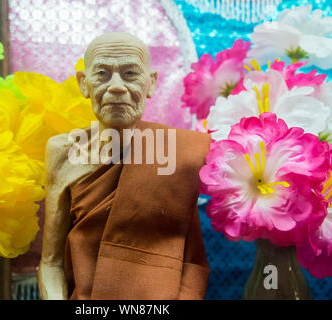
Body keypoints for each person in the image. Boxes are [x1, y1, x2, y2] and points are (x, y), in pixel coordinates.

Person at [37, 32, 211, 300]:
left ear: (150, 83)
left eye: (130, 73)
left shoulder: (184, 152)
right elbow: (51, 263)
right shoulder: (63, 152)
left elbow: (192, 262)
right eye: (103, 73)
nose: (116, 86)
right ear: (84, 84)